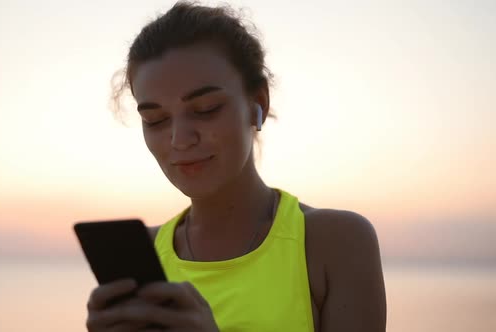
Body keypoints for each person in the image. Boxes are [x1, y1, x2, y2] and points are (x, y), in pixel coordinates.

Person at [86, 1, 386, 331]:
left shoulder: (334, 241)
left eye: (206, 108)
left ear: (258, 103)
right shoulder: (146, 254)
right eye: (155, 119)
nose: (179, 140)